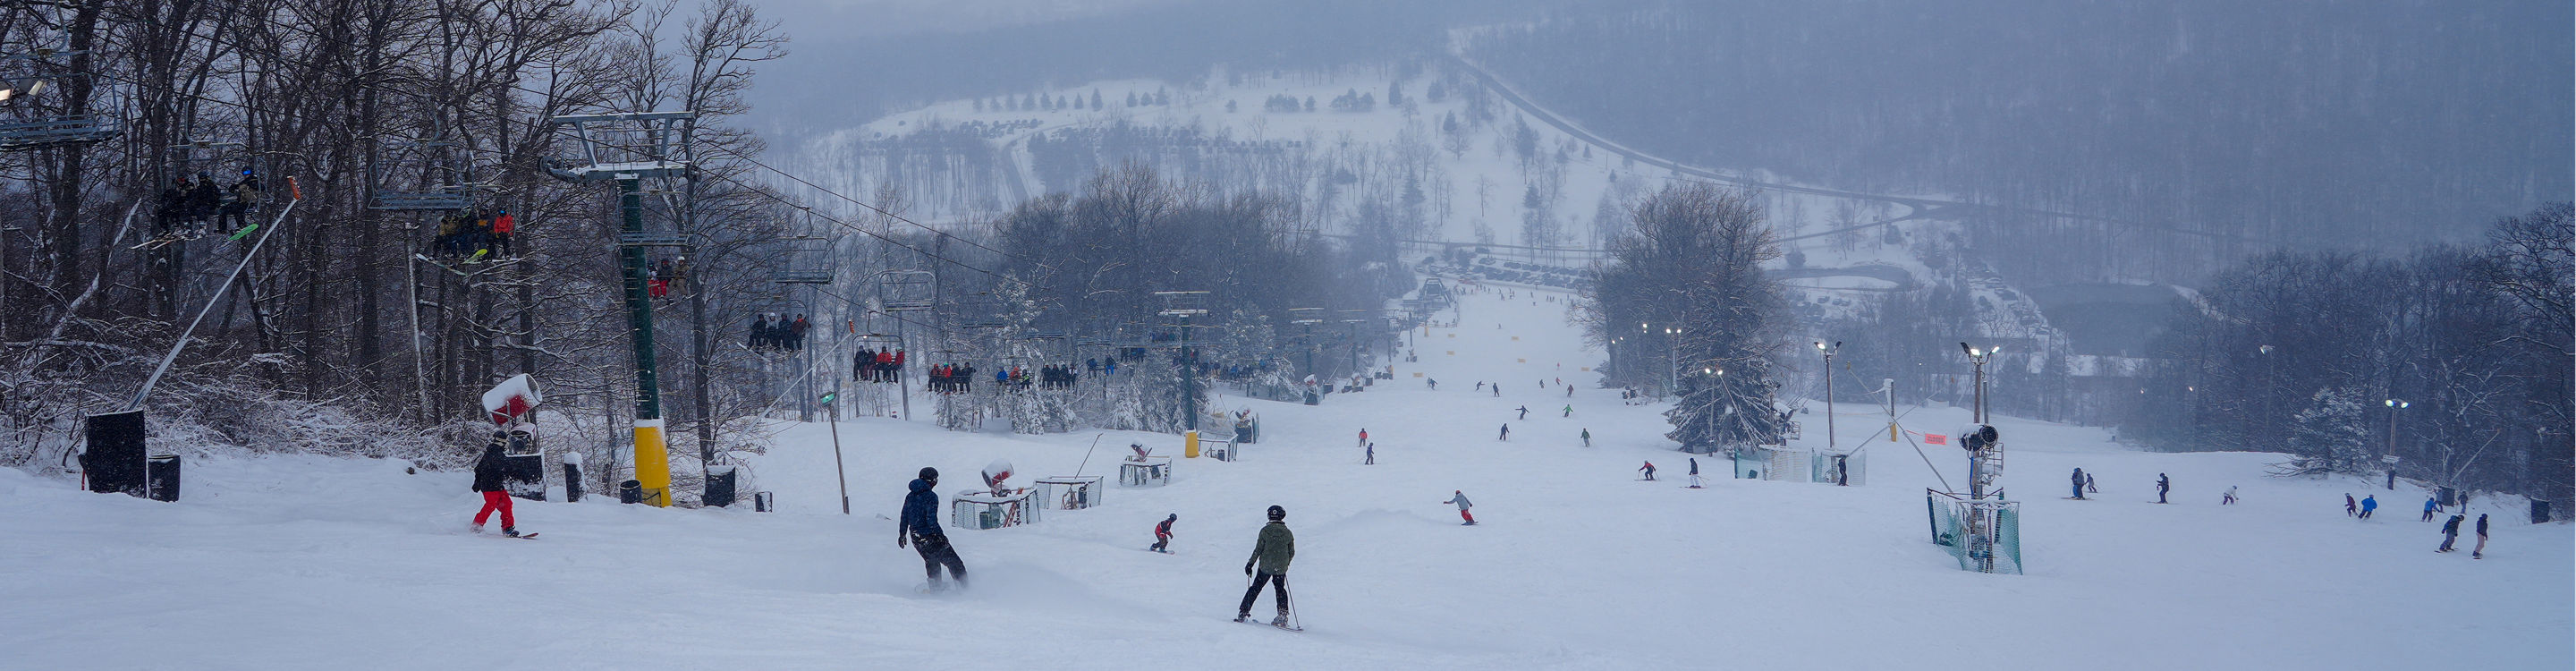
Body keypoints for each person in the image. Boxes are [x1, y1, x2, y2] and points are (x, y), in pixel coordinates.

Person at [898, 467, 968, 591]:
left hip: (916, 538)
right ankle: (965, 589)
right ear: (931, 480)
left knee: (931, 561)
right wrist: (941, 536)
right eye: (936, 479)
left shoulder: (910, 495)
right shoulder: (931, 496)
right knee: (954, 562)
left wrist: (902, 534)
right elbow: (931, 520)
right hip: (930, 537)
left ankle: (936, 588)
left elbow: (904, 516)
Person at [1238, 505, 1296, 626]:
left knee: (1255, 588)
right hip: (1280, 568)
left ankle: (1243, 612)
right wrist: (1286, 564)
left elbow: (1258, 549)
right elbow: (1292, 552)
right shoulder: (1287, 533)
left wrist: (1250, 564)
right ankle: (1283, 615)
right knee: (1280, 589)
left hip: (1265, 566)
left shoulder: (1265, 531)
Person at [469, 433, 521, 536]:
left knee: (507, 504)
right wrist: (478, 482)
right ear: (502, 442)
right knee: (491, 504)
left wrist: (477, 482)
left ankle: (508, 528)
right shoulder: (494, 453)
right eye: (505, 441)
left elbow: (479, 469)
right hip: (489, 485)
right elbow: (505, 468)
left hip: (497, 485)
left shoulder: (495, 453)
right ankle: (476, 526)